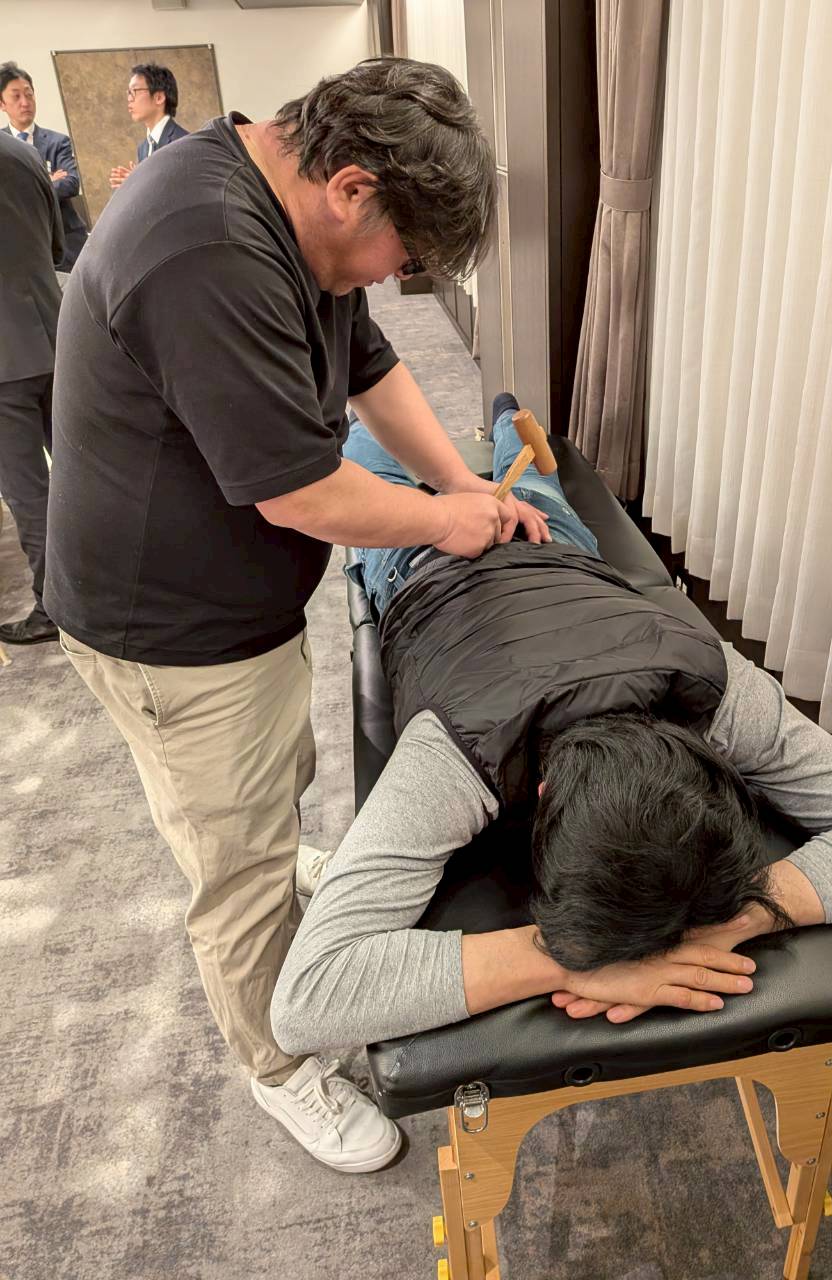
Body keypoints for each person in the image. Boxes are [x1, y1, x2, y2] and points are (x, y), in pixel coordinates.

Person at [44, 58, 547, 1174]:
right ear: (353, 187)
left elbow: (374, 370)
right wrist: (443, 521)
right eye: (400, 257)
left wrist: (459, 481)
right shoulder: (205, 251)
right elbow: (302, 492)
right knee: (232, 864)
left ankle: (277, 850)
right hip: (166, 628)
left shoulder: (292, 203)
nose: (392, 278)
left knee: (269, 780)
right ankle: (280, 1065)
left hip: (237, 603)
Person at [270, 396, 832, 1059]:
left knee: (531, 487)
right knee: (369, 460)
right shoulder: (455, 754)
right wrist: (565, 962)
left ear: (713, 758)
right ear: (544, 797)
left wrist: (738, 918)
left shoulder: (715, 690)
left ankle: (508, 418)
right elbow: (307, 1000)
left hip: (555, 547)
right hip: (426, 568)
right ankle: (445, 425)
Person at [0, 130, 63, 645]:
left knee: (28, 493)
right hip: (56, 337)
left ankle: (55, 606)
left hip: (3, 365)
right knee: (90, 473)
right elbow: (58, 245)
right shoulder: (22, 152)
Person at [0, 61, 88, 270]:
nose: (25, 102)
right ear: (2, 104)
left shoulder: (57, 142)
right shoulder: (3, 147)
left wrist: (22, 190)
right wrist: (47, 180)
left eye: (29, 94)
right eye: (16, 96)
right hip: (21, 249)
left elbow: (70, 184)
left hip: (66, 244)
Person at [108, 63, 189, 189]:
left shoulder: (183, 142)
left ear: (159, 97)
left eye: (134, 91)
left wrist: (139, 183)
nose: (129, 98)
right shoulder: (143, 147)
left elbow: (183, 191)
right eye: (128, 92)